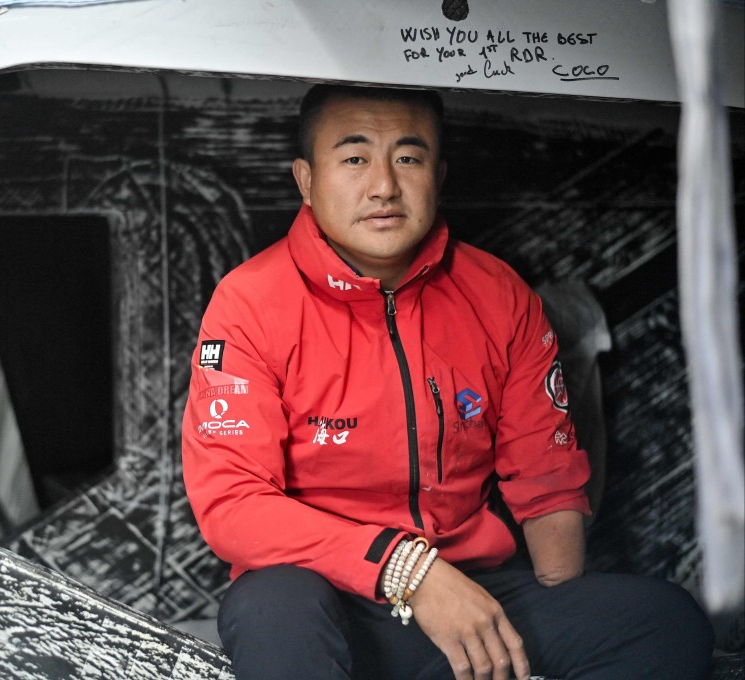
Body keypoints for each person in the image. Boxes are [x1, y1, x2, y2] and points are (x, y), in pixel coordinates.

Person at [181, 84, 714, 680]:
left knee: (664, 620)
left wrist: (552, 626)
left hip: (469, 593)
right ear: (306, 180)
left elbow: (547, 482)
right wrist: (407, 570)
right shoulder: (250, 303)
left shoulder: (498, 294)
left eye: (408, 158)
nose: (384, 186)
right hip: (322, 604)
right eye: (354, 159)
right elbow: (234, 505)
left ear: (439, 174)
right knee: (269, 606)